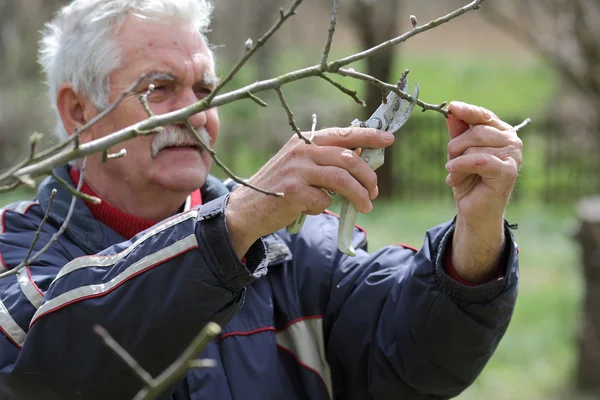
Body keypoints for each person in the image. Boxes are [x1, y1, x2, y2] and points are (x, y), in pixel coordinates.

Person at [0, 0, 523, 399]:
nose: (194, 114)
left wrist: (477, 238)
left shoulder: (289, 249)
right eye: (159, 89)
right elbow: (45, 353)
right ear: (77, 110)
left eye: (206, 90)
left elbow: (416, 359)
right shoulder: (17, 249)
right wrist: (231, 225)